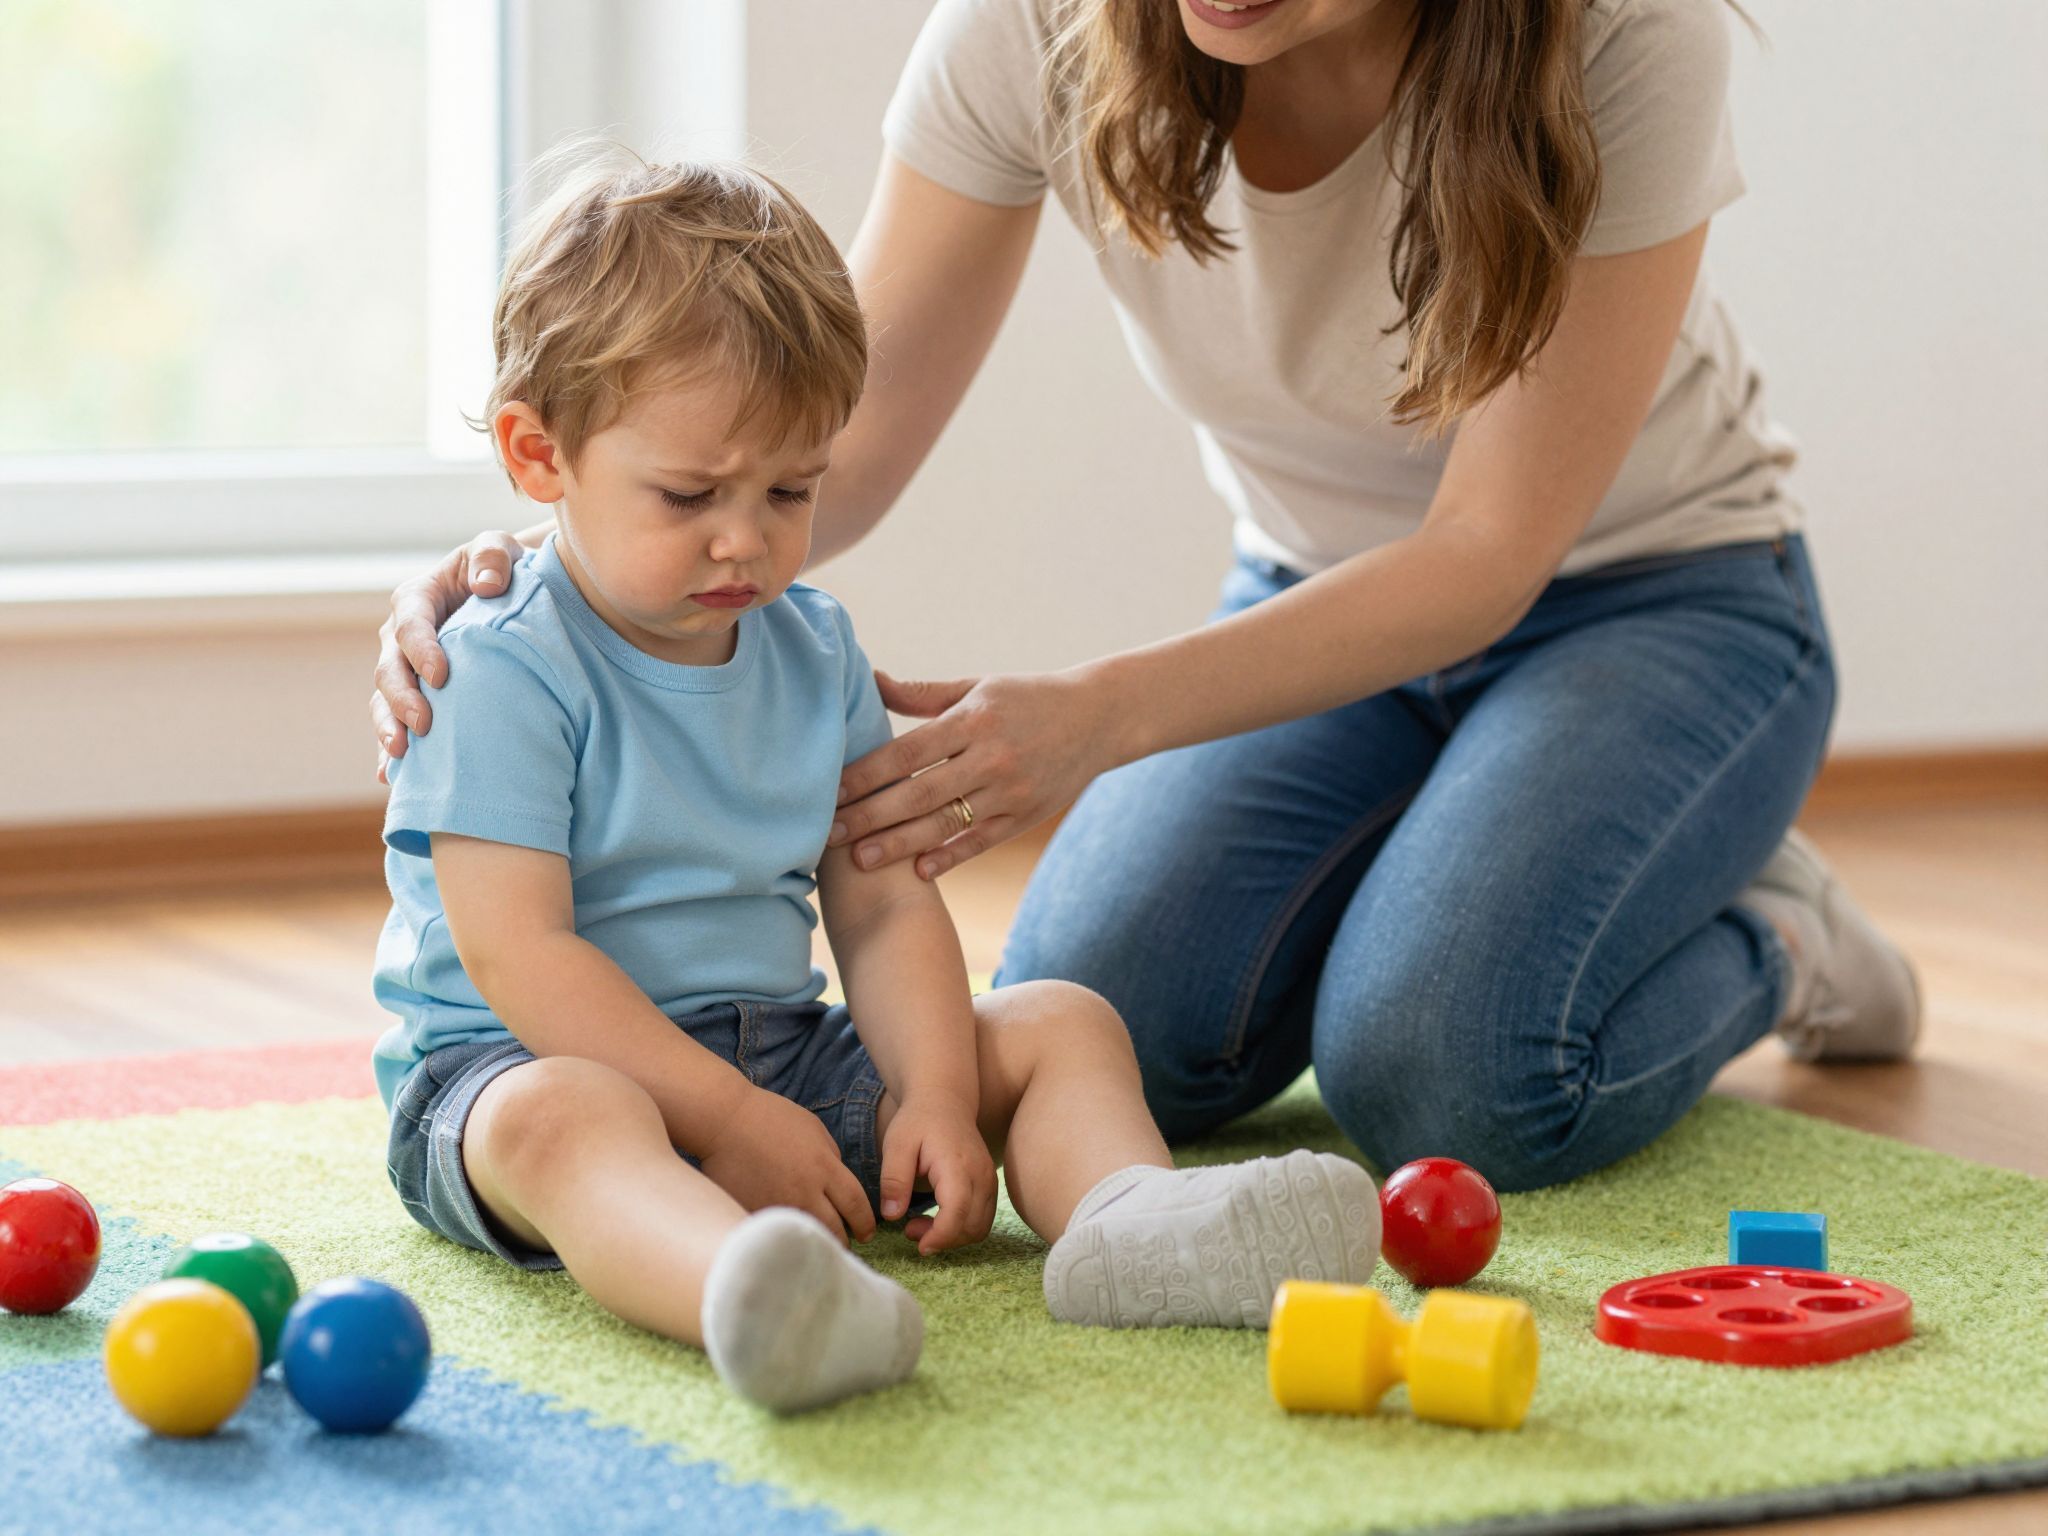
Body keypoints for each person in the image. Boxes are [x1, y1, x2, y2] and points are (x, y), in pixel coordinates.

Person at [374, 0, 1919, 1198]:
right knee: (1110, 1014)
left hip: (1657, 602)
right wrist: (544, 570)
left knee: (1448, 1075)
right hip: (1311, 614)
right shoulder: (1035, 27)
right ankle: (1472, 861)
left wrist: (1096, 718)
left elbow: (1483, 555)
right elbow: (823, 444)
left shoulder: (1623, 36)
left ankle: (1779, 935)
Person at [373, 150, 1381, 1416]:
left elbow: (885, 899)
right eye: (688, 495)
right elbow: (522, 957)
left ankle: (1132, 1224)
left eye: (790, 489)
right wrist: (726, 1119)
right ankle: (746, 1291)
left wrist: (936, 1095)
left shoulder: (813, 648)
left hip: (777, 1054)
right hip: (517, 1066)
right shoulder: (497, 665)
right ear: (539, 455)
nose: (745, 538)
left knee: (1060, 1021)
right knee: (566, 1121)